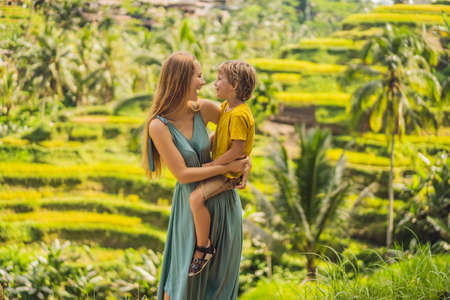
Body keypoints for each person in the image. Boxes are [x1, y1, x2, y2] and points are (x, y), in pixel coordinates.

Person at [143, 52, 249, 300]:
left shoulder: (206, 110)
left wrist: (246, 161)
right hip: (190, 208)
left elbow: (238, 138)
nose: (203, 82)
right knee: (182, 284)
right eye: (198, 76)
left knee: (219, 286)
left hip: (223, 204)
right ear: (180, 80)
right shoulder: (159, 125)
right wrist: (225, 168)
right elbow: (182, 174)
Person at [188, 61, 256, 277]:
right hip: (225, 169)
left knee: (196, 199)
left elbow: (237, 149)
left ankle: (203, 247)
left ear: (235, 85)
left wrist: (214, 165)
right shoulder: (228, 108)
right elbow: (222, 135)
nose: (214, 83)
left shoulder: (238, 115)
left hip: (228, 174)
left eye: (219, 80)